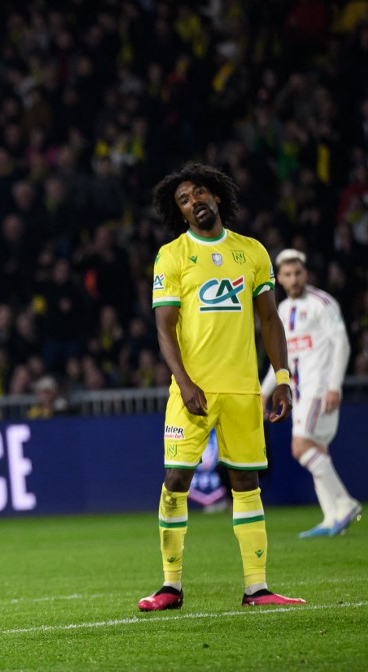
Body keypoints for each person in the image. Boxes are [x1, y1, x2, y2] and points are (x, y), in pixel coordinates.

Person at [139, 162, 305, 611]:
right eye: (184, 200)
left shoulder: (251, 252)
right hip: (192, 390)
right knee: (176, 479)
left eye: (198, 193)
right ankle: (170, 586)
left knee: (245, 482)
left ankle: (257, 588)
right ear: (181, 213)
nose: (194, 202)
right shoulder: (172, 255)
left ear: (216, 195)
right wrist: (185, 381)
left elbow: (269, 319)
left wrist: (283, 378)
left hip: (242, 389)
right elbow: (164, 329)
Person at [260, 249, 359, 538]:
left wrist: (334, 386)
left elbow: (342, 345)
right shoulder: (283, 311)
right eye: (288, 275)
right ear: (280, 278)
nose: (294, 279)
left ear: (306, 273)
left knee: (301, 448)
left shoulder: (322, 303)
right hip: (300, 394)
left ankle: (345, 503)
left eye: (298, 273)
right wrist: (262, 393)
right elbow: (282, 361)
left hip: (318, 388)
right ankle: (331, 519)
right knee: (319, 451)